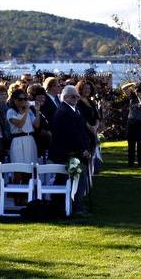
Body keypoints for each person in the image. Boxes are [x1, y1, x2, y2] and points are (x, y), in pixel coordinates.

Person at [48, 85, 91, 214]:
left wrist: (86, 148)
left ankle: (60, 205)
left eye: (77, 96)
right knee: (79, 178)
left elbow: (81, 131)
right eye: (73, 96)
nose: (76, 98)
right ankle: (77, 207)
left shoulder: (73, 110)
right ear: (65, 97)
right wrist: (82, 149)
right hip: (68, 154)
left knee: (65, 179)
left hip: (72, 152)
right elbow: (71, 134)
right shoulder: (64, 112)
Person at [7, 88, 39, 164]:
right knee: (18, 168)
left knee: (31, 167)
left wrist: (37, 111)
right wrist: (26, 111)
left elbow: (36, 125)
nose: (23, 101)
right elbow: (20, 124)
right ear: (14, 100)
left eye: (25, 99)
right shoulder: (11, 111)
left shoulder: (30, 111)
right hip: (18, 140)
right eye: (20, 99)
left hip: (30, 140)